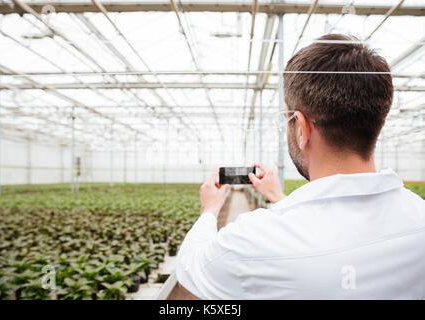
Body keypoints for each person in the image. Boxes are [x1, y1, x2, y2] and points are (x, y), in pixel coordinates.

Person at [175, 34, 425, 299]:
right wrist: (279, 199)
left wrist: (209, 210)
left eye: (288, 119)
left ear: (302, 127)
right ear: (378, 122)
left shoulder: (253, 240)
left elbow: (191, 267)